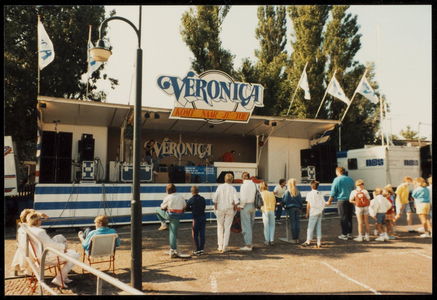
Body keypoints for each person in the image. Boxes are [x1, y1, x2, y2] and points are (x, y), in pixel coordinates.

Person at [26, 212, 79, 288]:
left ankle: (64, 276)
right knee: (75, 255)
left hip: (40, 254)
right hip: (46, 257)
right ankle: (59, 279)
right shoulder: (40, 231)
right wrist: (63, 247)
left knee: (70, 250)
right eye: (40, 220)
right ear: (37, 221)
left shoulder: (30, 229)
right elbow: (51, 244)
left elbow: (47, 242)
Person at [12, 209, 49, 275]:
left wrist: (41, 214)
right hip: (35, 252)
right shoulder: (31, 229)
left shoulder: (22, 227)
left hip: (26, 250)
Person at [155, 183, 187, 258]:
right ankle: (173, 250)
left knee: (157, 209)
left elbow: (162, 207)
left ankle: (163, 223)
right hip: (178, 216)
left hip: (170, 215)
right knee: (173, 233)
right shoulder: (180, 196)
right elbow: (184, 206)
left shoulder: (168, 197)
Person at [326, 167, 355, 240]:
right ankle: (349, 233)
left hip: (341, 200)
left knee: (343, 217)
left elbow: (333, 191)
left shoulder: (337, 179)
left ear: (338, 171)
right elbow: (353, 189)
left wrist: (329, 201)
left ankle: (344, 234)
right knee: (349, 217)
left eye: (336, 171)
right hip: (350, 200)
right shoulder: (350, 179)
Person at [213, 173, 239, 253]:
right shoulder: (233, 188)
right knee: (227, 227)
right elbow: (236, 202)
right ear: (232, 180)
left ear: (224, 179)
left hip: (220, 208)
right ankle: (225, 246)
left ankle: (220, 245)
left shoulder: (220, 187)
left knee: (220, 226)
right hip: (229, 208)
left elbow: (215, 199)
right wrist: (234, 210)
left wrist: (216, 209)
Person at [302, 180, 326, 248]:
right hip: (319, 211)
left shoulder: (310, 194)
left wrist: (307, 212)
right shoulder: (320, 193)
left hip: (313, 211)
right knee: (318, 227)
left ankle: (308, 241)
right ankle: (319, 242)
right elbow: (323, 203)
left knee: (310, 227)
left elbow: (308, 204)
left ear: (311, 186)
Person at [186, 185, 206, 255]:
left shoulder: (192, 199)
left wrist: (192, 208)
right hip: (203, 216)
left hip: (196, 217)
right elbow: (204, 207)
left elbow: (187, 207)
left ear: (192, 192)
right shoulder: (202, 198)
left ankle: (197, 249)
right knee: (202, 233)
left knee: (194, 234)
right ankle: (201, 249)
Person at [282, 178, 303, 244]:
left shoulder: (287, 191)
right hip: (297, 207)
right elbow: (300, 200)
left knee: (293, 223)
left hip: (291, 208)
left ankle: (293, 238)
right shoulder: (297, 191)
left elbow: (284, 200)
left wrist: (282, 205)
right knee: (297, 223)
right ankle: (297, 238)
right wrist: (301, 207)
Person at [239, 172, 257, 251]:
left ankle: (248, 245)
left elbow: (243, 198)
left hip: (246, 206)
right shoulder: (254, 184)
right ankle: (249, 243)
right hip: (253, 205)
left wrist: (241, 206)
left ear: (242, 178)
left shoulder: (243, 185)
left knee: (246, 226)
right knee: (250, 224)